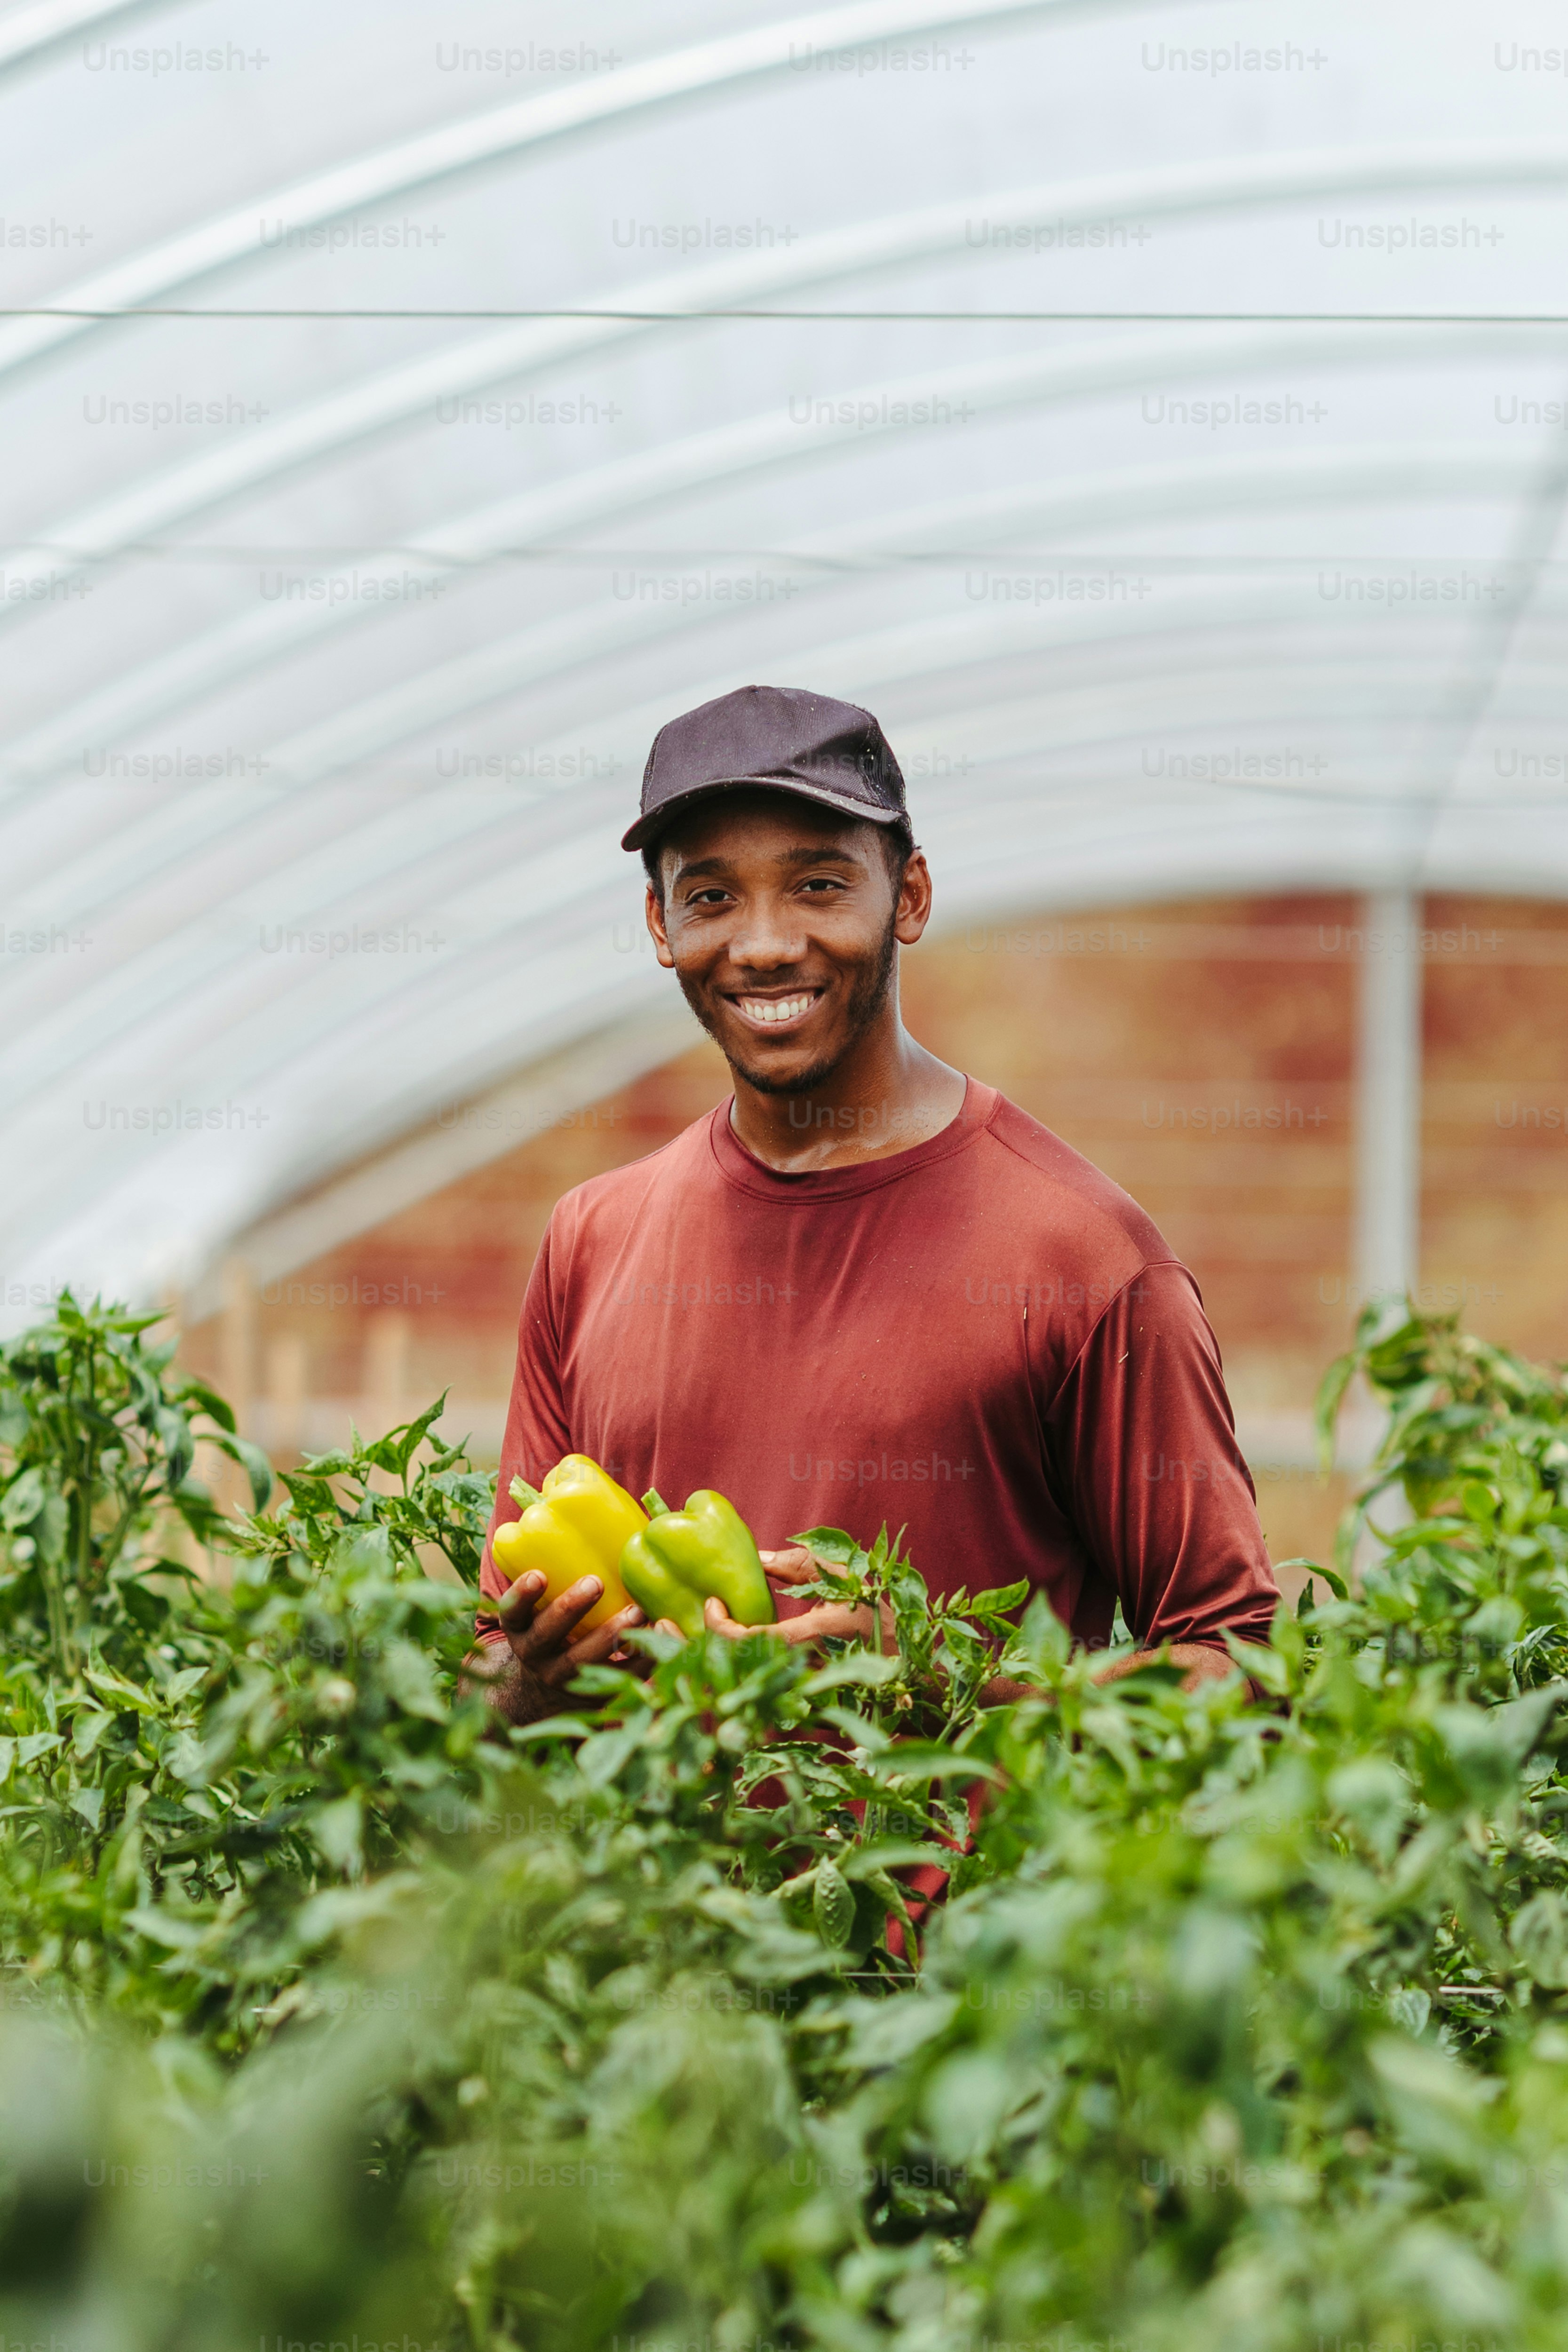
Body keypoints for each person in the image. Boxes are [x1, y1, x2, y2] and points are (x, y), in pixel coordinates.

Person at [473, 683, 1279, 1725]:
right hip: (657, 1890)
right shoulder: (592, 1239)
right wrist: (532, 1678)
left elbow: (1243, 1676)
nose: (762, 944)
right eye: (711, 896)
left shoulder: (1082, 1254)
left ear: (908, 896)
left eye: (817, 884)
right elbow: (483, 1677)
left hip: (987, 1893)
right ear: (658, 924)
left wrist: (949, 1688)